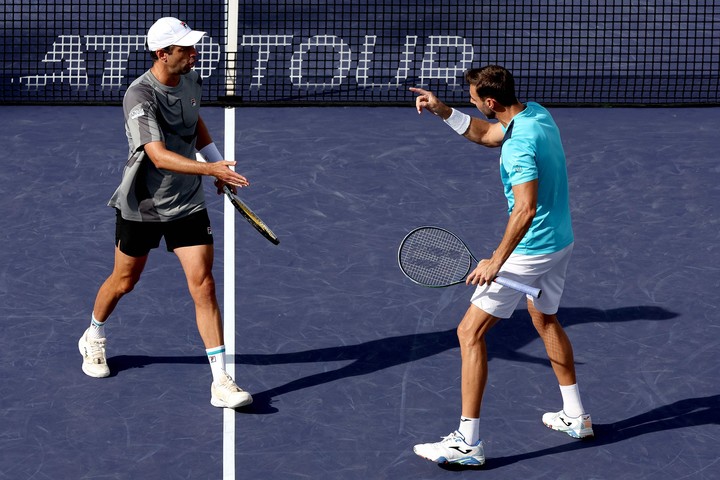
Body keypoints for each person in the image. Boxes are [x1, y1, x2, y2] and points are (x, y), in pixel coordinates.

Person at [409, 65, 593, 466]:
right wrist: (444, 111)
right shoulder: (536, 114)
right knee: (544, 319)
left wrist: (497, 259)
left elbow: (525, 209)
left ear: (491, 102)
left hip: (531, 249)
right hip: (561, 240)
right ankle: (576, 416)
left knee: (469, 333)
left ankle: (467, 442)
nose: (472, 102)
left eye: (475, 99)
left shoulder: (519, 146)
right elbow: (488, 133)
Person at [78, 17, 253, 409]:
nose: (195, 54)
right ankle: (93, 335)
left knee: (203, 284)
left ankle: (220, 380)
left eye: (193, 47)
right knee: (124, 282)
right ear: (162, 54)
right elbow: (156, 155)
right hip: (144, 205)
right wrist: (211, 170)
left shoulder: (191, 78)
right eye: (186, 49)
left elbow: (195, 122)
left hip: (187, 203)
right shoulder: (139, 96)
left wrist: (216, 162)